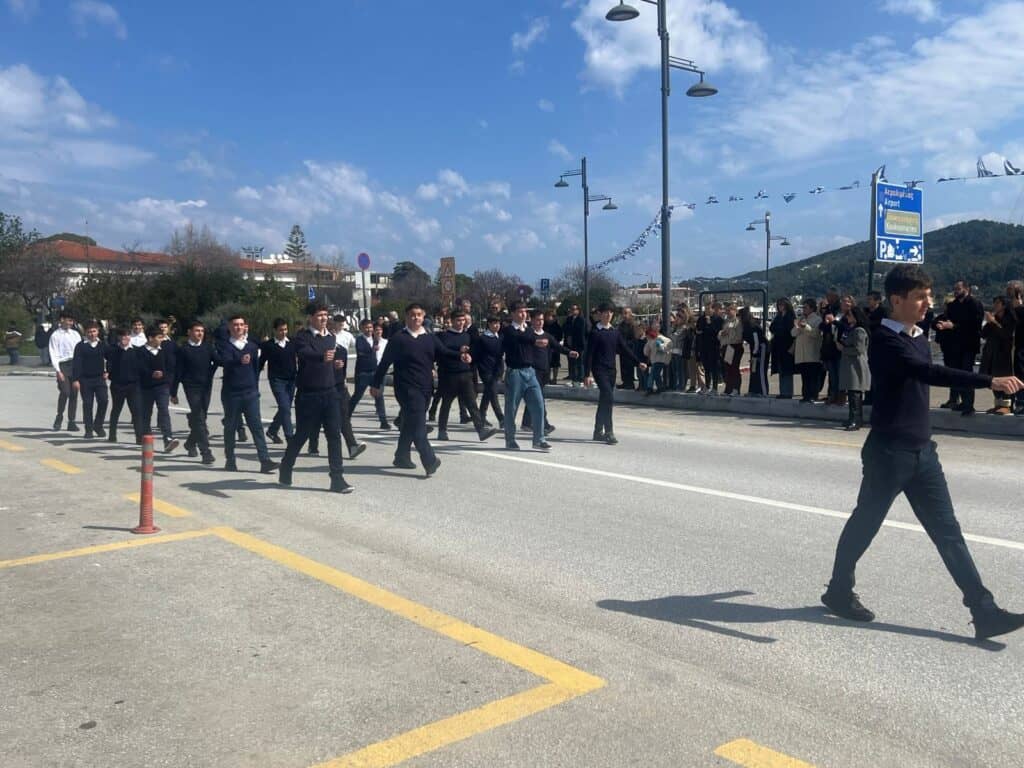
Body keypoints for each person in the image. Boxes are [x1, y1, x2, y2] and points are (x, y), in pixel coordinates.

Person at [822, 264, 1024, 640]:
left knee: (949, 533)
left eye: (929, 296)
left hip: (923, 454)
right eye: (920, 297)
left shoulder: (917, 334)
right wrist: (989, 381)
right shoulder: (885, 340)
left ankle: (985, 611)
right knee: (865, 524)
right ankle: (838, 591)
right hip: (888, 454)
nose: (928, 303)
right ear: (896, 300)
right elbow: (927, 373)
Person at [372, 303, 469, 475]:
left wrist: (460, 356)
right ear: (406, 317)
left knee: (410, 423)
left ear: (423, 316)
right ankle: (429, 460)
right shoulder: (399, 338)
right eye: (412, 314)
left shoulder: (429, 337)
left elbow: (444, 352)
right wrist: (375, 384)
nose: (416, 317)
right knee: (418, 426)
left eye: (419, 314)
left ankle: (401, 456)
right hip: (406, 388)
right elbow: (385, 362)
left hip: (426, 387)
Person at [278, 303, 353, 493]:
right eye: (319, 315)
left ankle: (337, 478)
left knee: (334, 435)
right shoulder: (302, 337)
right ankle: (286, 466)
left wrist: (336, 364)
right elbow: (305, 354)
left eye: (325, 314)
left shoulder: (331, 337)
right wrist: (322, 357)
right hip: (308, 395)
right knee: (302, 435)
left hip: (330, 393)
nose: (323, 318)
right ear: (311, 317)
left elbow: (331, 359)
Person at [215, 315, 277, 474]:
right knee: (230, 427)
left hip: (250, 393)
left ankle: (265, 460)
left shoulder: (252, 347)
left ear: (245, 327)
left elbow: (255, 369)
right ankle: (230, 460)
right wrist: (239, 360)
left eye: (241, 324)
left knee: (256, 427)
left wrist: (255, 389)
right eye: (235, 325)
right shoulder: (224, 346)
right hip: (232, 393)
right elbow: (225, 362)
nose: (238, 327)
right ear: (230, 327)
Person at [584, 303, 647, 445]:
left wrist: (638, 362)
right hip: (599, 370)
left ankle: (597, 431)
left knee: (604, 400)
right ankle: (609, 432)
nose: (608, 315)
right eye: (605, 312)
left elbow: (624, 349)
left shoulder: (614, 332)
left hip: (611, 370)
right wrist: (587, 374)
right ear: (600, 314)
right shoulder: (595, 332)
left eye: (611, 312)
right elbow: (589, 355)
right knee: (609, 397)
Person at [434, 310, 498, 443]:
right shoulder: (444, 336)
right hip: (449, 375)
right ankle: (442, 430)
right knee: (446, 403)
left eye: (463, 320)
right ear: (452, 321)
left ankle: (481, 430)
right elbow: (443, 351)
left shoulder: (467, 336)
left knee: (472, 403)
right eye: (458, 320)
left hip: (465, 373)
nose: (461, 323)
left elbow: (474, 351)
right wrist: (459, 353)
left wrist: (470, 356)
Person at [501, 301, 552, 451]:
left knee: (538, 405)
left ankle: (539, 439)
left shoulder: (529, 330)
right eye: (519, 311)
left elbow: (540, 340)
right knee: (511, 408)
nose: (523, 314)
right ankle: (510, 439)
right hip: (515, 373)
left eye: (525, 311)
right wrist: (535, 341)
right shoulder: (509, 331)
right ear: (512, 314)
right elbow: (519, 338)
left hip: (530, 372)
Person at [522, 309, 578, 433]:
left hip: (544, 371)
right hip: (532, 372)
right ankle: (545, 425)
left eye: (542, 319)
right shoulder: (528, 335)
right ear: (532, 320)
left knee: (534, 398)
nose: (540, 322)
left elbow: (557, 346)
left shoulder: (546, 335)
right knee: (539, 399)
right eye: (537, 320)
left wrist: (569, 352)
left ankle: (526, 423)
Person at [935, 280, 984, 416]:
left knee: (967, 373)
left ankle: (969, 404)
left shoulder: (975, 304)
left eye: (958, 289)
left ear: (966, 289)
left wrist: (954, 326)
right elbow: (947, 319)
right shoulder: (953, 305)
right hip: (954, 346)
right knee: (956, 373)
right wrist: (941, 325)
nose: (956, 291)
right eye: (955, 289)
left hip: (969, 345)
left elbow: (975, 325)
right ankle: (960, 401)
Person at [172, 320, 217, 463]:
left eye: (202, 331)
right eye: (197, 331)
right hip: (191, 387)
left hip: (206, 387)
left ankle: (190, 443)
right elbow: (178, 371)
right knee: (199, 418)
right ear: (189, 332)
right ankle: (206, 452)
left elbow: (218, 361)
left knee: (201, 418)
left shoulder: (208, 347)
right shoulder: (183, 349)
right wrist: (173, 392)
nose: (200, 333)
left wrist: (211, 372)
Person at [136, 324, 179, 453]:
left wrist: (166, 379)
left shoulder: (164, 351)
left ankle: (168, 439)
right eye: (159, 337)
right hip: (145, 387)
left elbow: (171, 368)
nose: (161, 340)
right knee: (146, 414)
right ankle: (147, 440)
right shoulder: (140, 352)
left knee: (164, 411)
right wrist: (151, 374)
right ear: (150, 338)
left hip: (162, 386)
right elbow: (138, 369)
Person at [259, 318, 298, 443]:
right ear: (274, 330)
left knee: (285, 408)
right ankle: (290, 438)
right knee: (285, 408)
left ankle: (272, 430)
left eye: (285, 329)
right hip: (277, 380)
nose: (284, 332)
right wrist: (253, 379)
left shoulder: (292, 342)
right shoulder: (268, 345)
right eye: (281, 330)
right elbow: (260, 363)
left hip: (291, 380)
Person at [349, 318, 390, 429]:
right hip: (363, 372)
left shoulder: (375, 339)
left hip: (376, 371)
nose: (369, 330)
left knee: (379, 396)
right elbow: (361, 352)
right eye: (366, 327)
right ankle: (346, 418)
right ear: (362, 328)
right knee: (357, 396)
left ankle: (383, 421)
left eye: (371, 327)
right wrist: (372, 349)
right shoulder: (359, 340)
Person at [71, 321, 109, 438]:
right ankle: (88, 429)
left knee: (103, 401)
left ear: (98, 331)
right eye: (89, 332)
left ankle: (98, 425)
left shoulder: (103, 345)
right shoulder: (80, 346)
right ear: (85, 333)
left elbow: (110, 359)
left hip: (99, 378)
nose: (92, 334)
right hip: (85, 380)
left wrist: (108, 371)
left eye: (94, 331)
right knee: (88, 404)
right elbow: (76, 363)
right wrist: (75, 380)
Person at [105, 328, 142, 444]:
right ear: (118, 337)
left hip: (133, 385)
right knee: (116, 410)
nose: (124, 338)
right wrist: (107, 372)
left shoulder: (137, 351)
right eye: (121, 336)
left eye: (126, 336)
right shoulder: (112, 350)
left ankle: (139, 437)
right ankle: (112, 435)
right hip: (118, 385)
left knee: (136, 411)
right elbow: (107, 363)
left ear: (130, 337)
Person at [980, 296, 1015, 415]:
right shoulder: (994, 318)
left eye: (997, 303)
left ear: (1004, 305)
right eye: (994, 302)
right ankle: (998, 404)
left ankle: (1007, 405)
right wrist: (989, 322)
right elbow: (983, 334)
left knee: (1004, 377)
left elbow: (1005, 334)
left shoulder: (1010, 318)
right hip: (991, 352)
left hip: (1004, 353)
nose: (994, 305)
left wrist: (994, 322)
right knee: (993, 378)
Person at [838, 306, 870, 430]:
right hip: (850, 365)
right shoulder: (851, 329)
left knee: (855, 393)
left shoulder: (859, 331)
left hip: (856, 365)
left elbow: (859, 349)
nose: (847, 317)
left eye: (849, 315)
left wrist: (843, 349)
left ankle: (856, 420)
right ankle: (853, 418)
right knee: (852, 393)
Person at [48, 311, 81, 431]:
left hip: (74, 365)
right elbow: (53, 353)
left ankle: (71, 421)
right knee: (65, 391)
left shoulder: (75, 334)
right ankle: (59, 416)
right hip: (63, 365)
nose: (70, 323)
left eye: (72, 321)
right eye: (69, 320)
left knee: (74, 393)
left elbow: (80, 351)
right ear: (62, 320)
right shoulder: (55, 335)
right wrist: (58, 371)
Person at [473, 315, 505, 429]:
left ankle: (481, 416)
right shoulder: (482, 339)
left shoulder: (500, 337)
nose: (497, 326)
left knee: (488, 393)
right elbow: (477, 355)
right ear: (489, 324)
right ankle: (501, 418)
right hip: (486, 370)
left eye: (498, 323)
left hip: (497, 370)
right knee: (493, 392)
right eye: (494, 323)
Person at [792, 299, 822, 403]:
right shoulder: (801, 319)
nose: (803, 309)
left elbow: (815, 334)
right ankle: (805, 396)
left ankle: (813, 395)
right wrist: (798, 326)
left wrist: (805, 327)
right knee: (804, 377)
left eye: (805, 307)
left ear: (812, 308)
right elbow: (793, 333)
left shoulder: (817, 320)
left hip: (812, 354)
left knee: (812, 377)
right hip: (801, 354)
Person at [769, 299, 796, 399]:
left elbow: (789, 330)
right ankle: (783, 392)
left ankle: (788, 392)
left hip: (787, 346)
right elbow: (771, 328)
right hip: (778, 347)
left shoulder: (790, 317)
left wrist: (779, 329)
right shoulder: (778, 317)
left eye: (782, 304)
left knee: (787, 371)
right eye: (779, 305)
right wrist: (778, 329)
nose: (780, 306)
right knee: (781, 370)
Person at [739, 307, 768, 396]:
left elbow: (756, 341)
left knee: (760, 370)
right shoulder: (746, 325)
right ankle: (753, 390)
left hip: (761, 348)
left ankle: (763, 392)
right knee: (754, 369)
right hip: (754, 348)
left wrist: (755, 354)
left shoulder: (752, 326)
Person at [696, 302, 723, 394]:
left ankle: (715, 388)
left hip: (714, 347)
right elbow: (698, 331)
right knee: (706, 368)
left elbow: (717, 332)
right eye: (705, 309)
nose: (706, 311)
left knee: (714, 368)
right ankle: (707, 387)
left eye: (708, 309)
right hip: (704, 346)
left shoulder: (718, 319)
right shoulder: (701, 319)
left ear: (713, 309)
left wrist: (709, 323)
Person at [1006, 281, 1024, 415]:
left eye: (1012, 295)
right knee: (1016, 373)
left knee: (1021, 373)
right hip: (1016, 345)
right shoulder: (1011, 308)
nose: (1010, 299)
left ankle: (1021, 402)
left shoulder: (1019, 309)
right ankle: (1016, 402)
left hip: (1022, 346)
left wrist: (1019, 307)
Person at [718, 303, 743, 396]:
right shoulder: (726, 322)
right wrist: (721, 334)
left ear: (735, 311)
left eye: (729, 310)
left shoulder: (738, 322)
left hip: (735, 346)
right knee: (728, 369)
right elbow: (720, 335)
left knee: (734, 368)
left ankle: (736, 389)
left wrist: (728, 334)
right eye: (726, 310)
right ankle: (728, 389)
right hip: (726, 346)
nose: (727, 312)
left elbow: (739, 336)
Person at [643, 324, 672, 395]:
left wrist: (660, 345)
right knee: (655, 374)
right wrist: (647, 345)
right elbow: (646, 352)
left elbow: (666, 347)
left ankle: (650, 388)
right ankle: (660, 387)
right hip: (655, 360)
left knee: (653, 374)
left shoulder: (659, 339)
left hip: (660, 360)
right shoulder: (650, 341)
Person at [562, 303, 587, 387]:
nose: (572, 311)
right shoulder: (569, 319)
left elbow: (582, 333)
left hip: (579, 344)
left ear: (578, 310)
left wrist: (582, 345)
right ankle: (573, 378)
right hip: (570, 345)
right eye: (571, 309)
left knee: (580, 362)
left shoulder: (581, 320)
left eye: (574, 309)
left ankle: (581, 379)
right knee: (572, 363)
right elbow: (565, 328)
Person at [617, 308, 639, 389]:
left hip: (630, 348)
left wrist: (626, 343)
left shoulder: (633, 325)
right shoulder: (621, 325)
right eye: (623, 313)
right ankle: (624, 382)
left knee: (629, 366)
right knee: (622, 366)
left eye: (626, 313)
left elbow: (635, 338)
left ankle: (630, 383)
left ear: (630, 314)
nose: (624, 315)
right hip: (622, 349)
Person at [543, 310, 563, 385]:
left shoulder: (557, 326)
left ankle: (554, 378)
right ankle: (547, 378)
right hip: (545, 347)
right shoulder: (544, 325)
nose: (547, 317)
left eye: (549, 316)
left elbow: (560, 336)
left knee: (555, 364)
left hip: (555, 347)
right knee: (547, 363)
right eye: (546, 316)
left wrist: (554, 341)